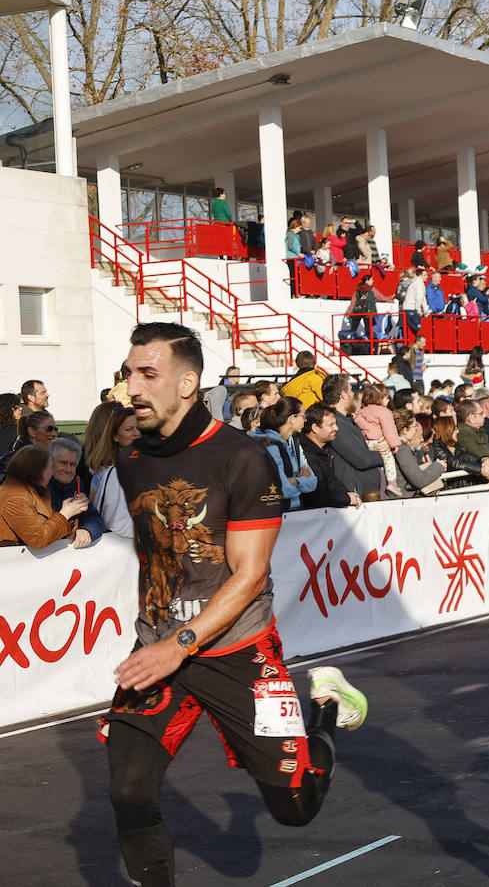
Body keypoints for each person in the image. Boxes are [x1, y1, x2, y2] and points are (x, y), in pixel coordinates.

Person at [101, 323, 367, 887]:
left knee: (296, 805)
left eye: (148, 374)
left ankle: (323, 705)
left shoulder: (242, 458)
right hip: (159, 648)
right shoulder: (130, 461)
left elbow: (248, 578)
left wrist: (181, 644)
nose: (134, 388)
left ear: (188, 382)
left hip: (238, 651)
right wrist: (163, 641)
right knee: (129, 791)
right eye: (129, 374)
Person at [0, 445, 85, 547]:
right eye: (50, 467)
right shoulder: (15, 497)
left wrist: (71, 520)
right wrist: (65, 514)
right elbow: (38, 539)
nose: (51, 472)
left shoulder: (36, 490)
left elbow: (47, 525)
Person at [321, 374, 384, 501]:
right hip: (355, 494)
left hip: (363, 492)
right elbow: (361, 459)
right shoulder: (336, 424)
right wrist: (380, 454)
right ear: (343, 395)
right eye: (350, 391)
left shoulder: (346, 420)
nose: (353, 395)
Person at [250, 398, 317, 511]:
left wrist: (295, 480)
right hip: (278, 514)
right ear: (292, 419)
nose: (305, 420)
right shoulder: (270, 446)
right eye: (303, 416)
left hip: (290, 512)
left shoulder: (290, 443)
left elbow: (313, 481)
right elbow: (282, 489)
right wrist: (299, 482)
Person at [85, 401, 139, 537]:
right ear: (115, 436)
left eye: (140, 428)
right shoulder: (116, 473)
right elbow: (116, 524)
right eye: (129, 429)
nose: (136, 433)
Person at [298, 404, 362, 509]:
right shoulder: (304, 454)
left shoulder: (325, 450)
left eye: (335, 424)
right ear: (315, 428)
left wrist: (348, 495)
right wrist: (347, 499)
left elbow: (332, 481)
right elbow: (317, 495)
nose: (336, 428)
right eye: (331, 425)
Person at [48, 437, 103, 548]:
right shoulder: (37, 486)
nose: (68, 469)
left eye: (72, 465)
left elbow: (93, 517)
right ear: (49, 462)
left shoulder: (76, 483)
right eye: (63, 463)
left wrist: (87, 530)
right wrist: (65, 513)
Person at [428, 414, 489, 489]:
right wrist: (480, 469)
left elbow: (471, 457)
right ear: (447, 430)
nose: (458, 431)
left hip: (467, 488)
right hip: (450, 492)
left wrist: (485, 460)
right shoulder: (437, 447)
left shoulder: (457, 446)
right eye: (455, 428)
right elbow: (453, 462)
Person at [391, 410, 447, 496]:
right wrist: (438, 466)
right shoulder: (402, 449)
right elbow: (419, 480)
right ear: (405, 430)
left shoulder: (399, 446)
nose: (416, 429)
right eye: (414, 426)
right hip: (404, 500)